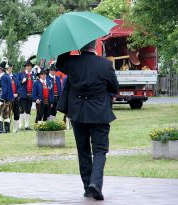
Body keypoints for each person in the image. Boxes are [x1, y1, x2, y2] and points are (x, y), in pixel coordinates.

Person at [56, 40, 119, 200]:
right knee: (100, 150)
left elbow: (60, 62)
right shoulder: (105, 65)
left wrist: (68, 45)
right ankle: (95, 184)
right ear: (94, 47)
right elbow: (114, 88)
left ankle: (87, 187)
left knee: (83, 150)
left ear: (81, 47)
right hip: (99, 113)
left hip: (78, 113)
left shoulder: (72, 63)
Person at [0, 61, 14, 133]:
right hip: (9, 99)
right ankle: (7, 130)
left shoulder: (3, 77)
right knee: (6, 114)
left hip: (4, 98)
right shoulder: (7, 76)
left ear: (1, 69)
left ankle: (0, 129)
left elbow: (4, 89)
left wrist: (1, 99)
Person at [18, 56, 36, 130]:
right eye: (27, 66)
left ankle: (27, 125)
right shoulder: (21, 74)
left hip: (30, 94)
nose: (29, 67)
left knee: (28, 110)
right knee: (22, 110)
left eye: (30, 66)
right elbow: (17, 84)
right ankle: (20, 125)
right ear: (25, 67)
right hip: (23, 95)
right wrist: (22, 81)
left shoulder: (33, 75)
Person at [6, 63, 21, 133]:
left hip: (15, 98)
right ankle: (7, 129)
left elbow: (19, 86)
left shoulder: (15, 76)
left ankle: (15, 129)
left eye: (11, 68)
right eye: (9, 68)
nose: (10, 69)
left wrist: (17, 93)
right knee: (7, 114)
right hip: (8, 98)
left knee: (16, 113)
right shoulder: (5, 77)